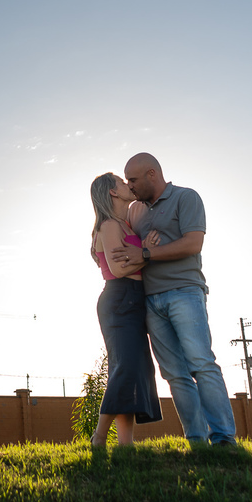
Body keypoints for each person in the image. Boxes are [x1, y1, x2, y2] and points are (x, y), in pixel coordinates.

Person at [111, 153, 236, 446]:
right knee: (175, 375)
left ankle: (223, 439)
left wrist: (146, 253)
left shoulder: (186, 198)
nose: (130, 186)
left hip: (185, 292)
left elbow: (193, 243)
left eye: (133, 179)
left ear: (152, 174)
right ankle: (196, 440)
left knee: (201, 364)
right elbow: (125, 245)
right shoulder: (135, 211)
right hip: (151, 301)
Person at [88, 173, 162, 447]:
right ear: (112, 193)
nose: (127, 185)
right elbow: (118, 270)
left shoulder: (125, 224)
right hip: (119, 300)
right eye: (121, 182)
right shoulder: (109, 226)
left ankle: (125, 444)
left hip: (133, 299)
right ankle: (99, 437)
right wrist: (146, 253)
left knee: (135, 368)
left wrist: (143, 252)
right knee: (125, 369)